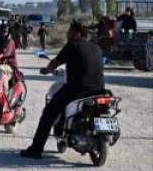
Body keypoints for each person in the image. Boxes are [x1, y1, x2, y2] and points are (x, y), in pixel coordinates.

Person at [21, 20, 105, 159]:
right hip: (99, 89)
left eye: (70, 31)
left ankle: (36, 149)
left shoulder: (72, 45)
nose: (67, 34)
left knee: (48, 113)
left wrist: (47, 70)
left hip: (77, 90)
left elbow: (56, 62)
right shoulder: (95, 47)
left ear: (77, 33)